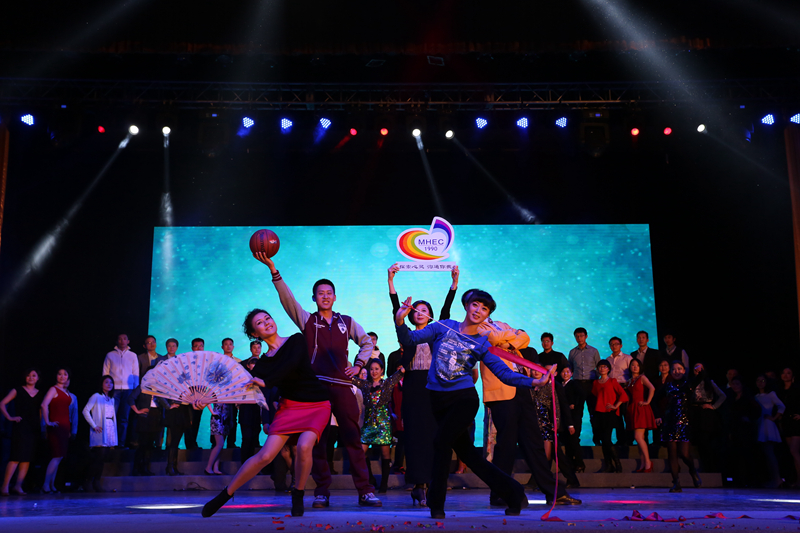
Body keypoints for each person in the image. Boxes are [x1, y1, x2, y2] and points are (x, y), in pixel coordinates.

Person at [395, 291, 579, 519]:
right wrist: (400, 320)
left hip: (463, 399)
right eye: (475, 305)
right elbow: (409, 339)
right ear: (466, 305)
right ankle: (514, 494)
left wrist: (534, 382)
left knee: (441, 443)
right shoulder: (443, 326)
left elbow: (504, 373)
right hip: (437, 400)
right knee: (470, 457)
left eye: (484, 309)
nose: (478, 311)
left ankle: (436, 504)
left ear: (487, 315)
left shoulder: (482, 343)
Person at [254, 253, 380, 508]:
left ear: (335, 297)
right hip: (317, 388)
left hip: (343, 387)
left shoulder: (346, 322)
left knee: (352, 438)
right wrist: (274, 272)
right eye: (320, 293)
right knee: (318, 442)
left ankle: (365, 491)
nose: (325, 296)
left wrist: (358, 365)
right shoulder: (308, 320)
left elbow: (367, 342)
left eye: (329, 293)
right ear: (314, 298)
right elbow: (288, 301)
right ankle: (321, 491)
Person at [201, 308, 331, 518]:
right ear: (255, 334)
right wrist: (207, 398)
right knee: (265, 455)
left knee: (304, 446)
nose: (267, 322)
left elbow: (290, 365)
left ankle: (298, 493)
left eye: (267, 318)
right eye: (260, 323)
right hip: (289, 407)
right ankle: (225, 495)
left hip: (316, 404)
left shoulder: (296, 340)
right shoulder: (262, 364)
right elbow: (237, 387)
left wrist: (266, 381)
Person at [388, 263, 458, 506]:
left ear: (430, 314)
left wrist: (454, 285)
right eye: (415, 310)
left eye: (424, 310)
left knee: (433, 435)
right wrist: (391, 282)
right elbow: (396, 310)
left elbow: (446, 311)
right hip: (413, 387)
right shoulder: (407, 334)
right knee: (414, 436)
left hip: (433, 385)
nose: (419, 313)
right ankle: (418, 485)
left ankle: (431, 482)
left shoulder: (438, 332)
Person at [352, 359, 404, 493]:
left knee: (385, 453)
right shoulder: (365, 384)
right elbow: (350, 379)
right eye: (371, 369)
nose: (374, 371)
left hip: (383, 423)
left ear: (382, 370)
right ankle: (371, 479)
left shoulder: (387, 383)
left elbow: (401, 372)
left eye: (376, 369)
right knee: (360, 452)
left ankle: (384, 485)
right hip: (369, 423)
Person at [653, 360, 701, 493]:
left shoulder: (688, 384)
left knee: (684, 454)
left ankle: (693, 470)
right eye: (674, 369)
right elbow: (654, 400)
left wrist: (699, 369)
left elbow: (701, 377)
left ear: (684, 371)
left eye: (679, 369)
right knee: (672, 453)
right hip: (669, 421)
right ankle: (676, 483)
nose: (676, 372)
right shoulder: (667, 386)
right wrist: (658, 416)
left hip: (684, 421)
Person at [529, 367, 580, 488]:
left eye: (538, 370)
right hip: (537, 426)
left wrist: (559, 424)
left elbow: (559, 405)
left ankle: (542, 481)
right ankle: (570, 480)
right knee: (556, 456)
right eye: (533, 370)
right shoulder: (531, 387)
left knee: (549, 455)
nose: (536, 372)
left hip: (548, 425)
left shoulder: (552, 386)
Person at [0, 368, 43, 496]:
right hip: (20, 427)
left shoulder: (40, 393)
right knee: (15, 457)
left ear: (38, 378)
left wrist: (43, 426)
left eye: (34, 375)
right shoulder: (17, 390)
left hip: (33, 428)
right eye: (28, 375)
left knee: (26, 458)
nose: (31, 378)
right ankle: (5, 486)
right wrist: (9, 417)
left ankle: (18, 486)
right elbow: (2, 403)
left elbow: (41, 411)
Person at [688, 363, 726, 473]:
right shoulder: (691, 382)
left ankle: (710, 468)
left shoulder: (709, 382)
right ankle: (703, 467)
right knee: (698, 441)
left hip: (706, 414)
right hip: (695, 412)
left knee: (706, 440)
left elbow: (723, 396)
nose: (698, 370)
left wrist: (713, 406)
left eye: (700, 369)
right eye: (695, 368)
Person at [591, 359, 628, 473]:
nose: (602, 369)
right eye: (600, 367)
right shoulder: (595, 383)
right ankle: (608, 465)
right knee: (603, 440)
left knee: (607, 439)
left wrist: (615, 406)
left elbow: (624, 395)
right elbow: (595, 396)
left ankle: (617, 463)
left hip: (609, 413)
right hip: (599, 413)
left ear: (608, 369)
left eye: (605, 367)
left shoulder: (612, 381)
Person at [102, 333, 139, 448]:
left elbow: (136, 373)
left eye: (124, 339)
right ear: (117, 341)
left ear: (128, 341)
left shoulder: (132, 355)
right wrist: (106, 388)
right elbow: (105, 373)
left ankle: (121, 444)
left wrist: (135, 390)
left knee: (124, 418)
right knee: (111, 417)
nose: (122, 341)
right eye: (120, 339)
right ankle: (110, 442)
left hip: (128, 390)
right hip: (114, 390)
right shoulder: (110, 355)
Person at [82, 375, 117, 491]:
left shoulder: (111, 399)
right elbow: (85, 411)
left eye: (111, 383)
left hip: (109, 428)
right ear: (101, 384)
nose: (109, 384)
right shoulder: (96, 396)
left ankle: (97, 482)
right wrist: (94, 425)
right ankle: (87, 481)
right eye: (106, 382)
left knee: (102, 458)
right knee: (98, 457)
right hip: (100, 429)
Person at [129, 369, 167, 476]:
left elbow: (165, 403)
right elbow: (130, 399)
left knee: (150, 445)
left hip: (156, 416)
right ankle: (136, 468)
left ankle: (145, 468)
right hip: (145, 417)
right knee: (143, 444)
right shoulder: (142, 387)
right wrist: (137, 411)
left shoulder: (159, 388)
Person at [41, 368, 73, 493]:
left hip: (65, 427)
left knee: (59, 457)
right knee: (56, 455)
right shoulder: (53, 389)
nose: (62, 376)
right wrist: (48, 422)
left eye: (65, 374)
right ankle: (45, 485)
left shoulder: (65, 391)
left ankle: (52, 485)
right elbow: (44, 405)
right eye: (59, 374)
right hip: (57, 427)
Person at [568, 327, 600, 445]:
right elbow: (570, 369)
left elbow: (599, 367)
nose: (579, 338)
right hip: (577, 384)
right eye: (577, 336)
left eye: (581, 336)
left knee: (594, 413)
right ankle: (576, 440)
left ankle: (597, 439)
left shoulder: (594, 351)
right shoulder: (572, 352)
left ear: (586, 336)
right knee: (577, 414)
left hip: (591, 384)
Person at [625, 359, 657, 472]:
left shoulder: (642, 377)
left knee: (638, 437)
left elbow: (652, 388)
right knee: (640, 438)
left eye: (637, 365)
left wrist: (647, 401)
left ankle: (648, 462)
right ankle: (643, 464)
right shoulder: (629, 381)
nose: (635, 367)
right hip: (633, 409)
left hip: (641, 408)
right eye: (633, 365)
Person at [755, 374, 785, 488]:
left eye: (762, 380)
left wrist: (774, 418)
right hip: (759, 424)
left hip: (767, 424)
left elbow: (781, 406)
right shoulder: (756, 396)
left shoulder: (771, 394)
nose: (760, 383)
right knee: (765, 454)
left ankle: (777, 479)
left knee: (769, 453)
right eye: (758, 380)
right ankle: (773, 479)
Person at [239, 357, 270, 464]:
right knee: (247, 439)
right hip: (245, 413)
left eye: (256, 364)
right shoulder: (243, 379)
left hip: (256, 413)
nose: (254, 366)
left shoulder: (261, 380)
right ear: (248, 366)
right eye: (252, 363)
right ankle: (244, 465)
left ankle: (250, 465)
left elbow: (266, 396)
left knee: (253, 440)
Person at [559, 366, 586, 473]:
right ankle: (570, 465)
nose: (565, 374)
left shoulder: (574, 384)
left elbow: (582, 395)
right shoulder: (560, 385)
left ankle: (580, 463)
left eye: (567, 372)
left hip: (574, 417)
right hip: (564, 417)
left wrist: (576, 405)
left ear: (571, 373)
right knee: (567, 441)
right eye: (563, 372)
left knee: (574, 440)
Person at [608, 337, 632, 446]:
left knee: (626, 414)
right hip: (612, 389)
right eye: (612, 344)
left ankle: (629, 440)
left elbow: (633, 372)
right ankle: (621, 440)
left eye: (616, 344)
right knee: (616, 416)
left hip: (624, 387)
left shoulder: (627, 358)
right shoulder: (608, 359)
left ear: (621, 345)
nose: (614, 346)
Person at [778, 368, 800, 487]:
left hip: (796, 422)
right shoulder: (780, 390)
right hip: (786, 422)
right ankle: (798, 480)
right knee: (792, 453)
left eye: (788, 373)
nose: (785, 375)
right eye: (783, 373)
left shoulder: (797, 389)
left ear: (793, 376)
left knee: (794, 450)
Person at [183, 337, 206, 450]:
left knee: (197, 419)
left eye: (201, 346)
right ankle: (189, 444)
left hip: (201, 394)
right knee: (189, 420)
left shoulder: (206, 361)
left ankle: (193, 443)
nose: (198, 348)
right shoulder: (187, 361)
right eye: (196, 346)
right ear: (192, 348)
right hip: (189, 394)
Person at [201, 402, 231, 475]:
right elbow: (206, 400)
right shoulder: (215, 393)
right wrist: (212, 411)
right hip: (217, 418)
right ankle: (208, 467)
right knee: (220, 444)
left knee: (221, 445)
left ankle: (216, 468)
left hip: (226, 418)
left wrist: (231, 419)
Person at [222, 338, 241, 449]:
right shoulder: (218, 360)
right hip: (220, 395)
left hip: (234, 395)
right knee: (219, 418)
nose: (228, 346)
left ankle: (231, 443)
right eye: (226, 344)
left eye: (230, 344)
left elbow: (240, 379)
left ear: (233, 347)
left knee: (233, 419)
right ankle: (216, 444)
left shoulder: (239, 362)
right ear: (222, 347)